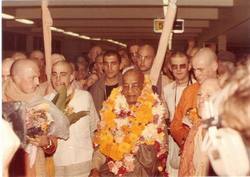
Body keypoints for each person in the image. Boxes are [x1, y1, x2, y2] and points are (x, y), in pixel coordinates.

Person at [89, 69, 168, 177]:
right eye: (126, 86)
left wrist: (132, 142)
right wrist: (95, 168)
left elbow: (157, 156)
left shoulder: (155, 114)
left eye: (135, 86)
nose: (130, 91)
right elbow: (102, 146)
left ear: (143, 86)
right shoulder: (111, 111)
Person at [47, 61, 99, 177]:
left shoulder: (85, 97)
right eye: (54, 74)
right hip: (57, 165)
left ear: (71, 77)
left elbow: (94, 130)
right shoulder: (46, 102)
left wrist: (95, 165)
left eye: (63, 74)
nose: (58, 78)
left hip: (83, 163)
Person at [3, 59, 54, 177]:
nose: (37, 82)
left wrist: (46, 143)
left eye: (38, 77)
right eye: (33, 78)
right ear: (16, 78)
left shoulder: (39, 100)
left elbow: (52, 141)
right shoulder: (3, 101)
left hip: (35, 168)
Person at [170, 48, 218, 149]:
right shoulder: (189, 91)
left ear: (214, 66)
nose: (196, 74)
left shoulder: (228, 90)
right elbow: (175, 126)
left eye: (200, 69)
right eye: (194, 70)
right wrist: (189, 140)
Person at [178, 78, 221, 176]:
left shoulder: (226, 135)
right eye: (199, 94)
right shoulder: (196, 129)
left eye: (208, 95)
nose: (201, 99)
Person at [163, 52, 192, 177]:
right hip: (173, 141)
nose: (179, 70)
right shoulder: (167, 89)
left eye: (182, 66)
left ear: (189, 66)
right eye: (175, 66)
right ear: (170, 68)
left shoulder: (197, 88)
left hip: (191, 140)